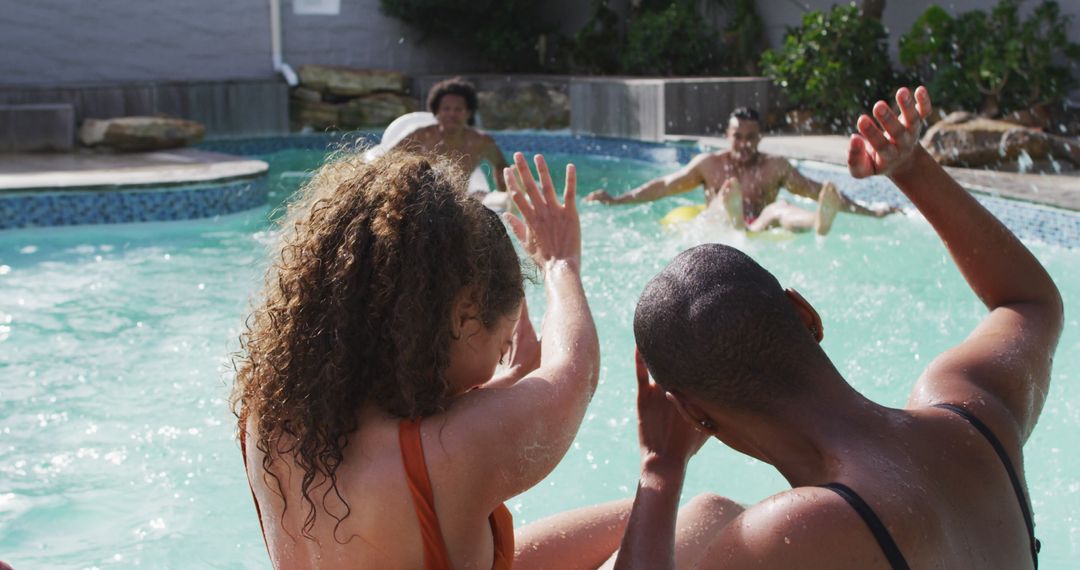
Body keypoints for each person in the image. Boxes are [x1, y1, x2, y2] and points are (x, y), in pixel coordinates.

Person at [615, 86, 1062, 569]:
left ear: (693, 415)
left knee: (700, 518)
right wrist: (911, 167)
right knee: (708, 514)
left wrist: (660, 469)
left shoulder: (791, 535)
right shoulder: (972, 409)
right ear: (806, 314)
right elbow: (1030, 301)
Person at [231, 145, 722, 569]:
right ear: (465, 316)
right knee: (710, 518)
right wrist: (560, 263)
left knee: (653, 521)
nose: (499, 362)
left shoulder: (270, 413)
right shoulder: (452, 452)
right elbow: (575, 373)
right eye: (501, 338)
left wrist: (503, 385)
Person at [584, 107, 896, 235]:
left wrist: (871, 211)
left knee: (780, 207)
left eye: (751, 137)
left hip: (756, 226)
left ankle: (818, 223)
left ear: (760, 138)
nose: (745, 144)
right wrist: (616, 200)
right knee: (725, 197)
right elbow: (665, 185)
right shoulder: (709, 164)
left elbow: (817, 191)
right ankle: (730, 210)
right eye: (739, 137)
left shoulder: (775, 166)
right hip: (718, 226)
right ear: (727, 136)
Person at [397, 76, 510, 193]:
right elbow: (389, 160)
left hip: (459, 203)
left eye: (458, 109)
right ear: (437, 112)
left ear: (468, 113)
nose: (452, 114)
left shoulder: (480, 142)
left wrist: (503, 194)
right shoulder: (421, 137)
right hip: (422, 201)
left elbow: (502, 166)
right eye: (446, 109)